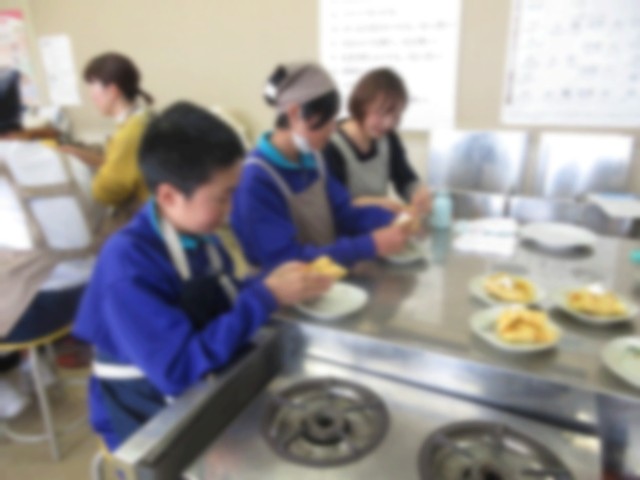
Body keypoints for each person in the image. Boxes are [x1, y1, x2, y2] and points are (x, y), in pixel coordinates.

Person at [73, 101, 334, 451]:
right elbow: (179, 370)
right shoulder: (128, 265)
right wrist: (266, 297)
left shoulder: (201, 237)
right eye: (222, 198)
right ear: (169, 195)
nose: (230, 211)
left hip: (197, 381)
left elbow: (220, 296)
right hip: (144, 412)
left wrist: (270, 282)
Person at [231, 63, 411, 271]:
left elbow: (345, 213)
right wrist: (369, 245)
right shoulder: (255, 181)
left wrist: (394, 220)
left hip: (324, 278)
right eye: (328, 120)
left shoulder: (313, 160)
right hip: (289, 288)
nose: (333, 128)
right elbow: (287, 261)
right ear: (294, 113)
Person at [0, 67, 98, 417]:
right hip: (87, 297)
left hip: (36, 311)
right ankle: (35, 367)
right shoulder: (67, 157)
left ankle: (6, 396)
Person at [59, 52, 153, 229]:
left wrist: (90, 179)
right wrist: (79, 153)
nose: (91, 96)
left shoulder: (131, 132)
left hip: (145, 216)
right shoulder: (141, 118)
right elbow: (119, 163)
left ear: (112, 91)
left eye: (92, 87)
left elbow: (105, 193)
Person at [323, 68, 431, 215]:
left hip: (381, 224)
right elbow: (336, 205)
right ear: (361, 105)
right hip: (349, 227)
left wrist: (417, 192)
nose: (388, 123)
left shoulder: (388, 138)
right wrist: (376, 203)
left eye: (395, 116)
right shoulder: (331, 145)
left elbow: (405, 178)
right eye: (380, 113)